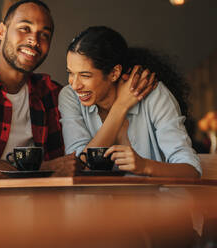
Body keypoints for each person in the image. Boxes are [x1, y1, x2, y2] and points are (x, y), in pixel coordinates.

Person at [0, 1, 152, 185]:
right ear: (2, 31)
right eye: (24, 28)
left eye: (44, 34)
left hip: (40, 215)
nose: (34, 40)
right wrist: (41, 170)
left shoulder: (52, 95)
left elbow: (74, 159)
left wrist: (127, 85)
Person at [59, 26, 201, 178]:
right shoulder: (70, 96)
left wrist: (145, 166)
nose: (75, 85)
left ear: (114, 73)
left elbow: (191, 171)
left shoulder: (153, 94)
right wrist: (120, 107)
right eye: (70, 73)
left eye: (85, 75)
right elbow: (78, 168)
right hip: (96, 200)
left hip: (156, 200)